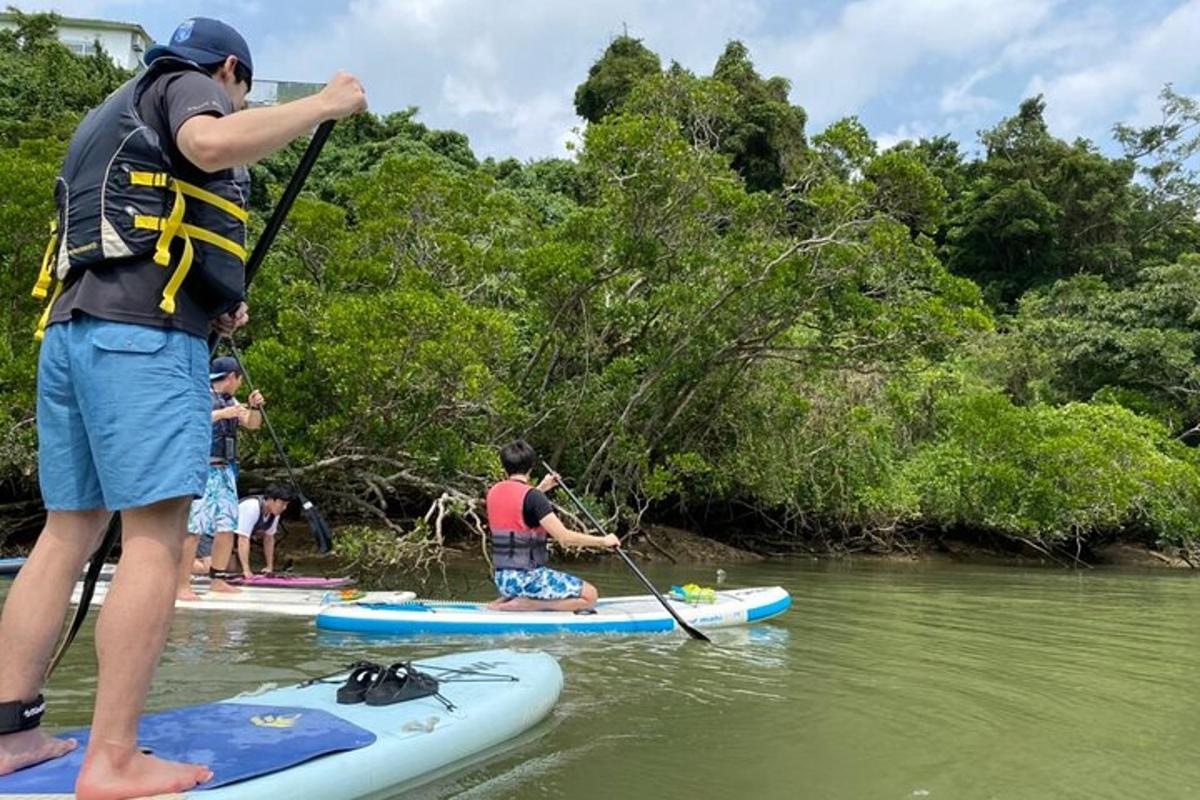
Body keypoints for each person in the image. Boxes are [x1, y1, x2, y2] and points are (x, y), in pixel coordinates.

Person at [0, 16, 366, 799]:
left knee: (65, 536)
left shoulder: (111, 109)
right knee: (157, 542)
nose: (232, 105)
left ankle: (9, 739)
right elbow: (206, 145)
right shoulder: (191, 83)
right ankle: (114, 759)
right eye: (239, 91)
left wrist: (214, 302)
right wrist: (322, 106)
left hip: (71, 335)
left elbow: (144, 224)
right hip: (140, 342)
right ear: (231, 69)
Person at [486, 440, 619, 612]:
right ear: (531, 466)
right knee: (590, 596)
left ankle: (513, 599)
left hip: (503, 580)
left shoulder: (494, 492)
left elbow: (519, 506)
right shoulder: (534, 498)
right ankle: (530, 604)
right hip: (528, 579)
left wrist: (541, 488)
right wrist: (604, 541)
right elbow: (564, 537)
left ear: (505, 465)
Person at [177, 356, 263, 600]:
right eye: (239, 379)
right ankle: (182, 585)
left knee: (227, 526)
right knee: (194, 528)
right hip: (202, 470)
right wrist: (223, 413)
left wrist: (254, 407)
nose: (240, 384)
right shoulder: (201, 395)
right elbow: (193, 421)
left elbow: (252, 424)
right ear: (231, 377)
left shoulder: (232, 401)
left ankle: (218, 579)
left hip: (225, 471)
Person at [231, 485, 294, 578]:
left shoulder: (274, 513)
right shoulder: (252, 507)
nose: (284, 508)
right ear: (271, 500)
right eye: (282, 504)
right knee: (210, 569)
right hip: (213, 533)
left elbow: (269, 538)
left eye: (286, 504)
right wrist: (246, 569)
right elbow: (243, 539)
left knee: (229, 570)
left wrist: (269, 567)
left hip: (229, 538)